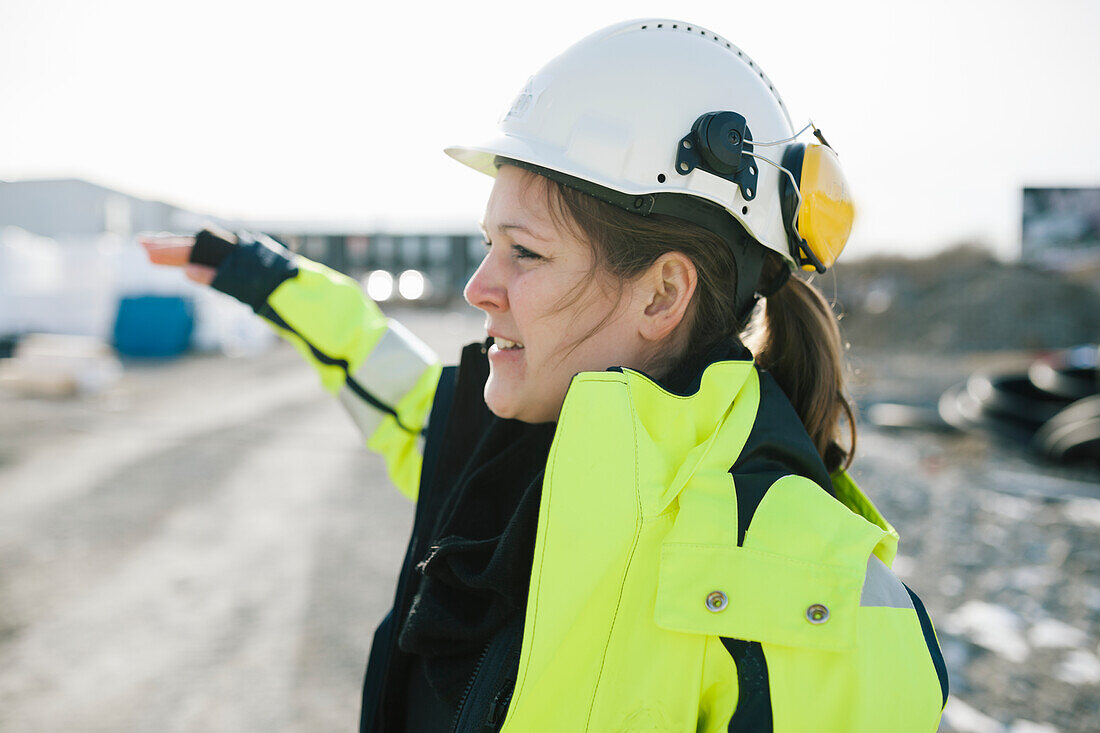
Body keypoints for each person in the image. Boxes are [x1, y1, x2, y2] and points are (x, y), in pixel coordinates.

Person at [142, 18, 948, 732]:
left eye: (525, 252)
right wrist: (261, 276)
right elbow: (390, 385)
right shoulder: (496, 452)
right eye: (489, 242)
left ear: (663, 292)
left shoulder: (827, 598)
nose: (476, 287)